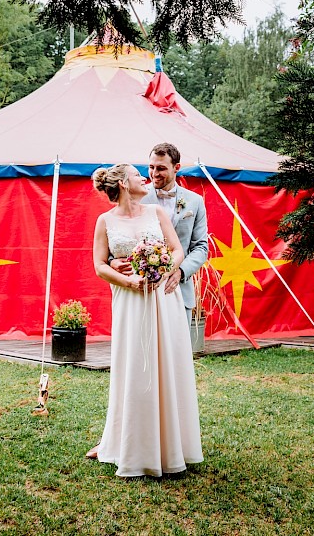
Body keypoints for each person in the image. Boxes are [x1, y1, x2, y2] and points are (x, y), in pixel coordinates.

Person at [87, 163, 203, 478]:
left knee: (167, 365)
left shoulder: (156, 213)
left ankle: (170, 446)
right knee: (135, 368)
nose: (145, 178)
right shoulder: (105, 221)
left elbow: (178, 250)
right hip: (130, 301)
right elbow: (99, 265)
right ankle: (132, 446)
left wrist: (169, 267)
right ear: (124, 184)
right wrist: (129, 282)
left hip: (164, 298)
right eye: (139, 174)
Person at [112, 142, 209, 335]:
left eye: (161, 168)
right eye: (151, 167)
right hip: (143, 290)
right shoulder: (135, 195)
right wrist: (112, 261)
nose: (154, 173)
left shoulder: (195, 201)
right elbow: (116, 234)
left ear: (177, 168)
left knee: (177, 356)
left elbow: (201, 247)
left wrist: (180, 271)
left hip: (178, 287)